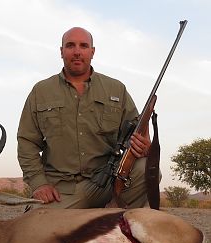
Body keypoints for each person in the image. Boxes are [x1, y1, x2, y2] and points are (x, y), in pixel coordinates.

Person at [17, 27, 152, 209]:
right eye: (70, 45)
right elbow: (27, 142)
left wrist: (143, 146)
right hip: (62, 191)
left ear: (92, 52)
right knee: (33, 229)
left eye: (84, 46)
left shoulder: (116, 89)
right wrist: (39, 183)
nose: (77, 52)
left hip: (108, 184)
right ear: (61, 51)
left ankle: (115, 215)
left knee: (147, 168)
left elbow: (138, 135)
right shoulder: (41, 91)